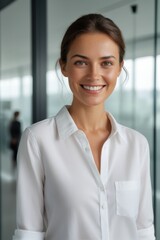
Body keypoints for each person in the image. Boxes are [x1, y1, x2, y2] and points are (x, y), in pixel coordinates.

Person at [13, 14, 155, 240]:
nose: (94, 75)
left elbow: (143, 231)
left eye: (106, 63)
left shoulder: (137, 145)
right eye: (81, 62)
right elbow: (29, 234)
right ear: (64, 67)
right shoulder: (38, 140)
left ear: (119, 68)